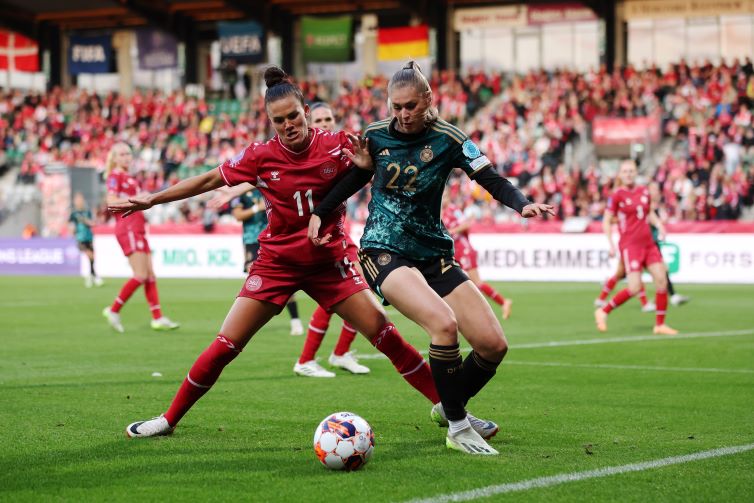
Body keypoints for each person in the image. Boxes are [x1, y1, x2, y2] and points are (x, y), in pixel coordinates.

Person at [115, 67, 496, 453]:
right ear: (271, 122)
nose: (287, 125)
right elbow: (207, 180)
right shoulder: (260, 155)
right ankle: (168, 419)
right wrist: (152, 198)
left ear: (306, 111)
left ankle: (454, 415)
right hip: (276, 264)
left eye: (293, 116)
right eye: (278, 120)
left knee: (385, 334)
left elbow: (385, 161)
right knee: (226, 344)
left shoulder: (338, 145)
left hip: (329, 262)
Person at [308, 61, 554, 455]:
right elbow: (355, 179)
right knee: (443, 325)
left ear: (428, 100)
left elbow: (489, 177)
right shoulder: (373, 137)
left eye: (410, 106)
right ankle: (457, 426)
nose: (403, 115)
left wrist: (520, 204)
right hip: (383, 249)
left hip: (433, 252)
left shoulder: (450, 139)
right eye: (396, 107)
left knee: (493, 345)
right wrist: (321, 211)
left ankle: (448, 407)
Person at [296, 102, 370, 377]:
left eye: (329, 118)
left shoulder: (340, 150)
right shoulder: (304, 155)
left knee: (354, 291)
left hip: (338, 230)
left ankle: (333, 354)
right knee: (353, 291)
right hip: (319, 235)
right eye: (319, 119)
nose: (326, 123)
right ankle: (314, 358)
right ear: (308, 122)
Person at [102, 142, 179, 333]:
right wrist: (136, 200)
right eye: (122, 154)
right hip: (127, 227)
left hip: (137, 227)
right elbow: (111, 202)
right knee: (141, 274)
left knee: (150, 274)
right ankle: (113, 310)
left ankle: (158, 318)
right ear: (115, 158)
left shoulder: (130, 178)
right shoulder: (115, 176)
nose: (127, 157)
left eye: (128, 154)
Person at [594, 160, 678, 335]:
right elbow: (607, 221)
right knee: (633, 288)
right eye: (625, 171)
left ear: (636, 172)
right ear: (620, 174)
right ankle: (603, 311)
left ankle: (659, 324)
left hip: (648, 243)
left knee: (661, 280)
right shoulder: (617, 195)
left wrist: (660, 225)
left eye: (631, 171)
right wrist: (610, 244)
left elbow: (649, 213)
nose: (629, 174)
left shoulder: (644, 191)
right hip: (630, 246)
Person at [231, 187, 305, 336]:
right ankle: (246, 321)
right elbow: (238, 215)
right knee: (253, 280)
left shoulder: (270, 188)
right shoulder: (241, 193)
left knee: (285, 278)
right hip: (251, 240)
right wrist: (256, 208)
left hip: (274, 239)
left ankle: (295, 321)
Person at [441, 191, 512, 320]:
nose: (443, 199)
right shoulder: (441, 212)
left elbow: (467, 224)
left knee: (476, 282)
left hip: (464, 249)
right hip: (453, 251)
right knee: (452, 281)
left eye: (445, 197)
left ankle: (503, 302)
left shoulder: (453, 210)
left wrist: (451, 231)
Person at [69, 192, 103, 288]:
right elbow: (70, 224)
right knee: (89, 255)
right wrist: (72, 230)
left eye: (80, 199)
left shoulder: (87, 212)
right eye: (77, 200)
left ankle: (91, 276)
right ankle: (94, 276)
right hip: (80, 238)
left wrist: (90, 222)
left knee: (92, 257)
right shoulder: (74, 213)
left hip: (89, 236)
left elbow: (93, 222)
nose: (79, 201)